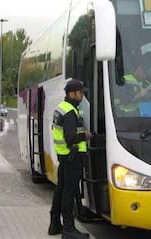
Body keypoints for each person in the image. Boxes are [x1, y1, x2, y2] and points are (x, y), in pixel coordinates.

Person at [48, 79, 93, 239]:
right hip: (72, 156)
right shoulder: (70, 112)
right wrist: (85, 135)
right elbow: (70, 137)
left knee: (61, 189)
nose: (82, 95)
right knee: (70, 191)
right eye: (80, 92)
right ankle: (68, 228)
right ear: (72, 94)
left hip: (64, 157)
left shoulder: (63, 108)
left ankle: (54, 224)